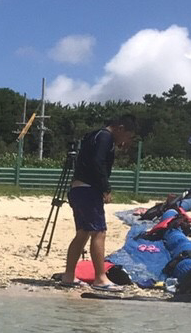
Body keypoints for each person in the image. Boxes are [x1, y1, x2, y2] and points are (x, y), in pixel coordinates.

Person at [58, 113, 139, 290]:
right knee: (99, 232)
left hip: (77, 189)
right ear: (121, 128)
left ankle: (69, 276)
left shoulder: (94, 136)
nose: (127, 140)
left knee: (83, 233)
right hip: (89, 190)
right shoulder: (105, 137)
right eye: (128, 136)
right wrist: (105, 188)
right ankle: (100, 279)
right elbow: (97, 163)